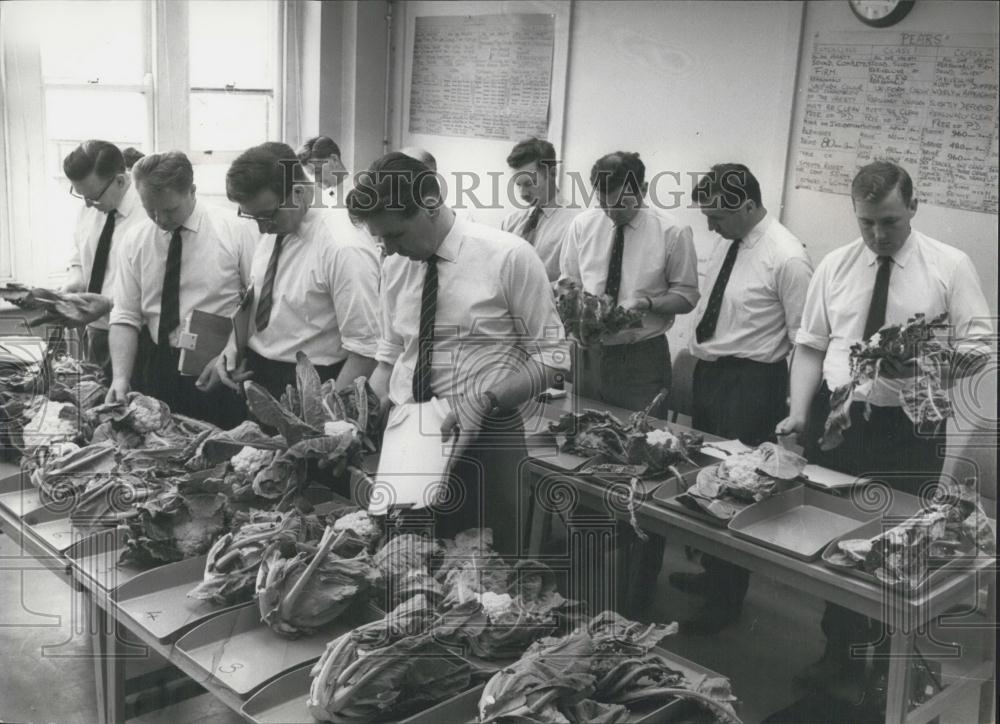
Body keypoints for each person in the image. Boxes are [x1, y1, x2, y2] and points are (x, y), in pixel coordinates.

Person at [775, 160, 992, 694]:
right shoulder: (835, 265)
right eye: (867, 222)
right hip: (841, 418)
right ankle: (841, 656)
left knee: (903, 547)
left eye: (890, 222)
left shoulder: (950, 265)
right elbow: (810, 345)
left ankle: (897, 669)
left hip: (911, 424)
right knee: (836, 538)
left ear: (913, 207)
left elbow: (979, 349)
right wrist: (799, 411)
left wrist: (926, 363)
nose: (877, 235)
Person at [347, 152, 570, 554]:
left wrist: (484, 401)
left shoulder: (509, 257)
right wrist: (363, 409)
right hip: (410, 433)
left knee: (483, 573)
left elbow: (554, 359)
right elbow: (392, 354)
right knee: (406, 562)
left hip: (488, 435)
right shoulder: (396, 264)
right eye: (381, 240)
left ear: (430, 205)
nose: (390, 249)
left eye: (396, 235)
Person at [670, 164, 813, 635]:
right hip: (713, 378)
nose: (709, 225)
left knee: (736, 493)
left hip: (752, 385)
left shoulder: (787, 257)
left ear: (748, 205)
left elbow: (803, 341)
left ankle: (728, 600)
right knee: (705, 482)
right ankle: (715, 576)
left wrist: (796, 411)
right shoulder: (729, 238)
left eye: (718, 216)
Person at [218, 142, 380, 398]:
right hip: (258, 373)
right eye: (253, 217)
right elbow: (261, 300)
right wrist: (232, 348)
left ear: (298, 192)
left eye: (266, 216)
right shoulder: (277, 221)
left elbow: (366, 351)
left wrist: (326, 415)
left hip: (316, 385)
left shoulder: (343, 246)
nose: (261, 229)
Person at [107, 151, 253, 428]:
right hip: (156, 363)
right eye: (150, 210)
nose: (160, 219)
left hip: (215, 366)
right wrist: (120, 378)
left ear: (193, 191)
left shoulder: (236, 231)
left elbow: (256, 304)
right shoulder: (134, 240)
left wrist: (231, 355)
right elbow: (125, 315)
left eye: (170, 209)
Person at [559, 151, 700, 415]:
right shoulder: (582, 225)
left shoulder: (672, 232)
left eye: (621, 204)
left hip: (641, 359)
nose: (612, 213)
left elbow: (687, 296)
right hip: (588, 355)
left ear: (643, 190)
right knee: (582, 436)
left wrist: (647, 303)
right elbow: (569, 282)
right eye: (603, 203)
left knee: (639, 442)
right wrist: (575, 319)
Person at [62, 140, 147, 376]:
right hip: (95, 330)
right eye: (81, 195)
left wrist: (109, 303)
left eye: (93, 196)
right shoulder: (90, 204)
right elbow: (79, 257)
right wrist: (73, 283)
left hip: (137, 336)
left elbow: (155, 285)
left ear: (121, 180)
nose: (88, 203)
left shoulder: (151, 213)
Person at [500, 138, 579, 282]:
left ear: (552, 173)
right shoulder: (510, 222)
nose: (523, 194)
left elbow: (572, 283)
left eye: (529, 184)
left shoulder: (576, 224)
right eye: (518, 185)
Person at [297, 136, 351, 207]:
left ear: (334, 159)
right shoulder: (318, 201)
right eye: (312, 174)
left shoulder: (363, 194)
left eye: (317, 171)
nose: (317, 180)